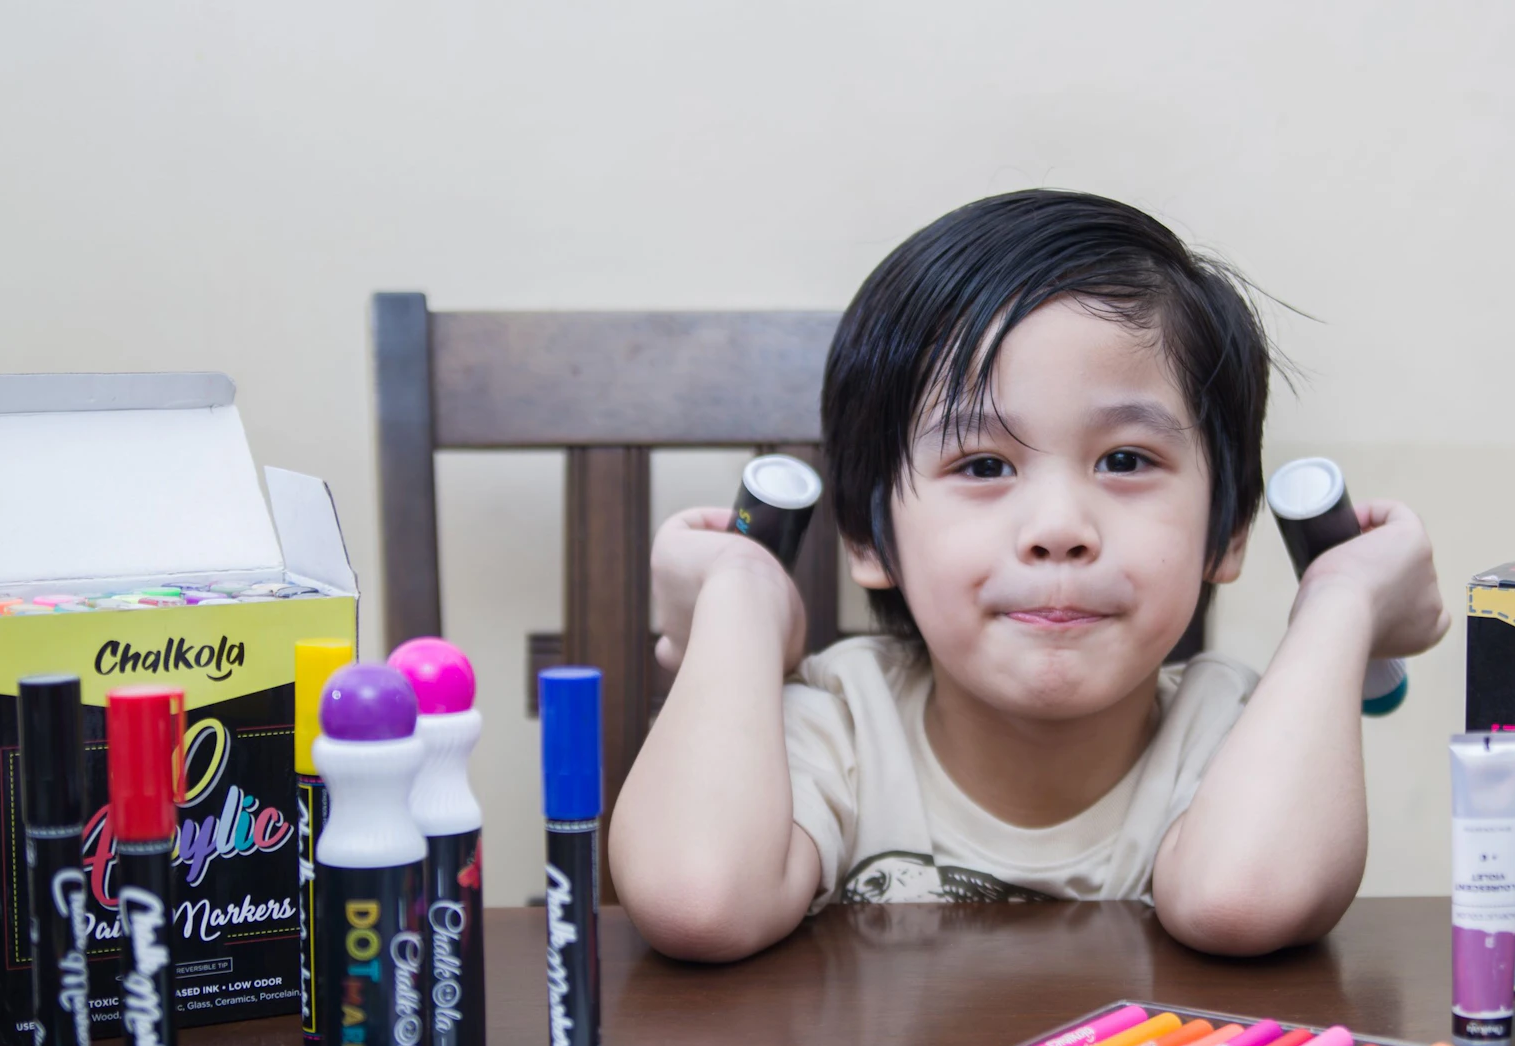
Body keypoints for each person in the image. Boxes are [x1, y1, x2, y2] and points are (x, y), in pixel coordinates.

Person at [610, 189, 1448, 961]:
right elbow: (698, 896)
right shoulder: (840, 725)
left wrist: (1342, 601)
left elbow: (1243, 901)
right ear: (868, 536)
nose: (1057, 531)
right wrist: (742, 597)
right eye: (981, 465)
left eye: (1125, 458)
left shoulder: (1225, 732)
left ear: (1226, 534)